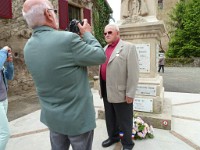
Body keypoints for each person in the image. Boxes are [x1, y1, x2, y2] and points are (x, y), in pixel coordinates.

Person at [22, 0, 106, 149]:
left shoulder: (28, 47)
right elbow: (100, 56)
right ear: (48, 14)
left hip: (53, 119)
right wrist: (87, 34)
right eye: (53, 11)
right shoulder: (68, 40)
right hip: (77, 120)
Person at [100, 24, 139, 150]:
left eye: (110, 32)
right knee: (110, 118)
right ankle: (113, 137)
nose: (107, 35)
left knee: (124, 120)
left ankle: (128, 143)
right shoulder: (104, 48)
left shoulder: (128, 47)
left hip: (122, 92)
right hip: (106, 89)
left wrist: (130, 93)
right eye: (105, 33)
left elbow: (133, 73)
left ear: (117, 33)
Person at [0, 46, 14, 150]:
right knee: (5, 133)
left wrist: (9, 63)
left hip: (4, 100)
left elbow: (9, 76)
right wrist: (4, 51)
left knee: (1, 132)